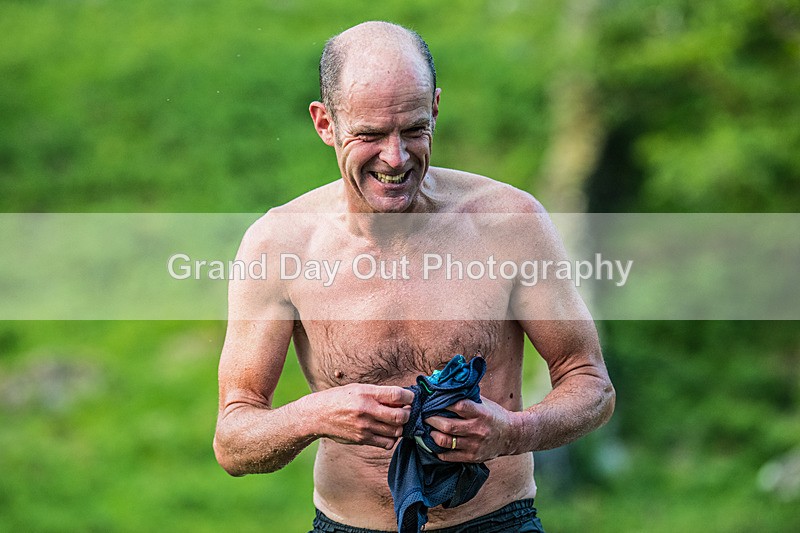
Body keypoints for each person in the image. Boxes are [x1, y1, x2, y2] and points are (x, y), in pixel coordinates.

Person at [213, 20, 615, 532]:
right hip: (349, 525)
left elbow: (591, 385)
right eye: (370, 135)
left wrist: (513, 431)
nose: (396, 158)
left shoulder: (508, 224)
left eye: (414, 129)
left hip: (496, 521)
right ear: (325, 124)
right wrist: (317, 415)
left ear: (436, 109)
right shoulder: (279, 246)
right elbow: (233, 442)